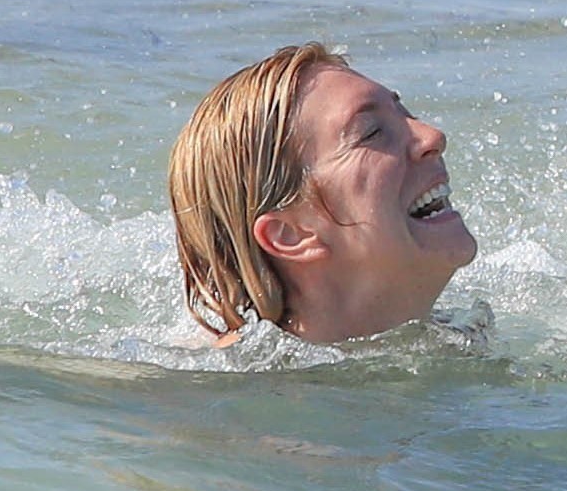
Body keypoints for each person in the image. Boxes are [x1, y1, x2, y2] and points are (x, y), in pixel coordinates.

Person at [168, 42, 475, 344]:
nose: (433, 136)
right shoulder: (231, 388)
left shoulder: (464, 334)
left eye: (404, 112)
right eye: (371, 132)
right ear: (290, 233)